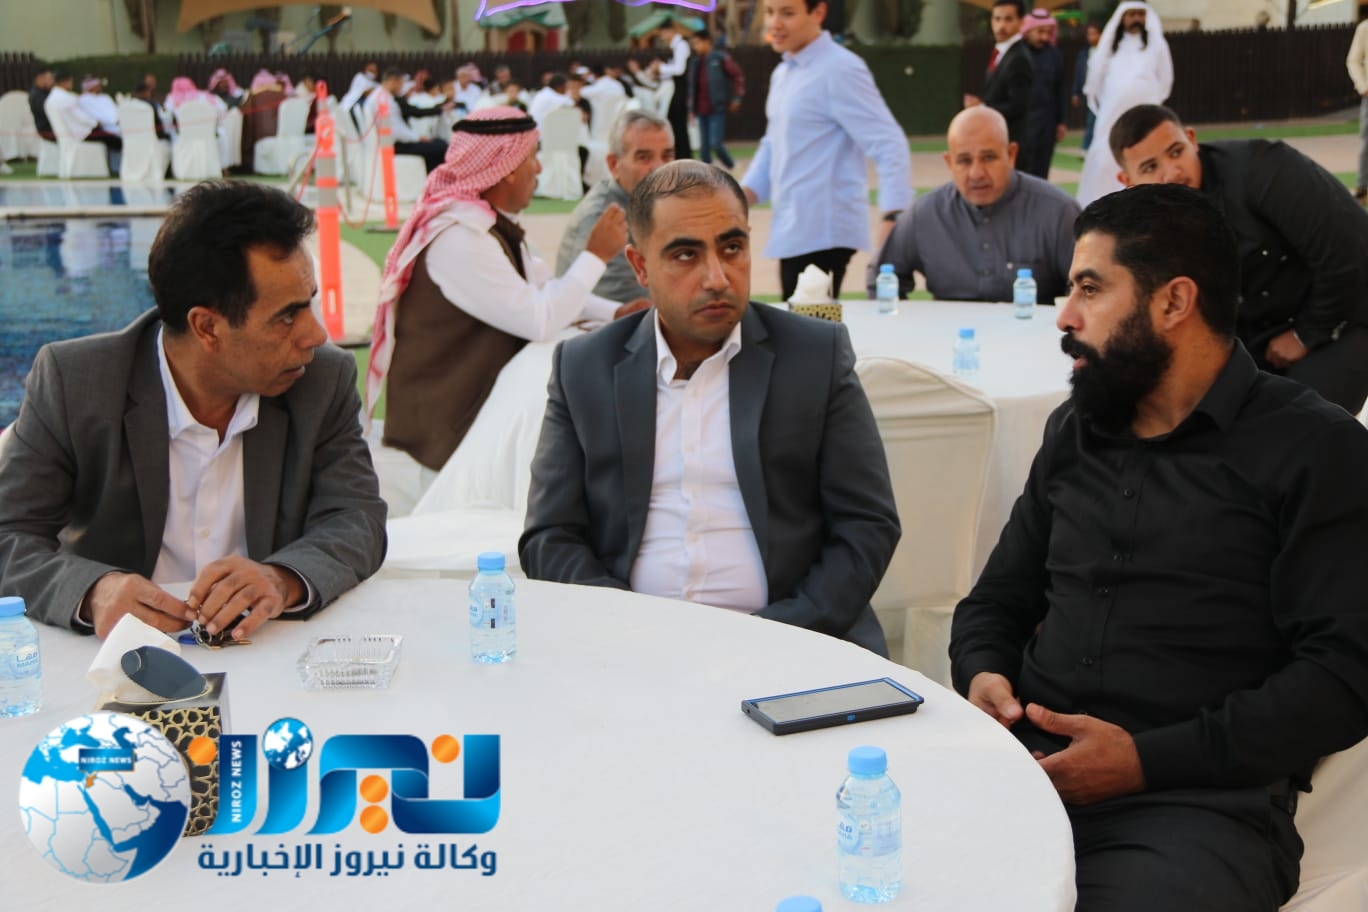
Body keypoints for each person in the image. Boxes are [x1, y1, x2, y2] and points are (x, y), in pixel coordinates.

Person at [949, 183, 1368, 911]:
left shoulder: (1314, 448)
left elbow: (1343, 680)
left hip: (1196, 810)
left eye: (1089, 289)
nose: (1065, 315)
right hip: (1022, 774)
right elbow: (996, 600)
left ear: (1174, 302)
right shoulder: (1075, 431)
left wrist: (1142, 762)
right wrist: (983, 672)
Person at [521, 160, 902, 654]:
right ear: (640, 266)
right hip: (628, 649)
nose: (717, 277)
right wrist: (630, 627)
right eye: (686, 255)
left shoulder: (814, 355)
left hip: (794, 644)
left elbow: (868, 524)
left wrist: (767, 636)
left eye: (732, 248)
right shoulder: (585, 368)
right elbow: (550, 536)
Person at [0, 181, 388, 640]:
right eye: (288, 315)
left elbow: (356, 517)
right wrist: (94, 592)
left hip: (269, 646)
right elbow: (9, 535)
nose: (316, 335)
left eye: (310, 304)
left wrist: (281, 578)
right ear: (206, 327)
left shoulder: (321, 380)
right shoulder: (77, 383)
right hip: (118, 656)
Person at [368, 107, 633, 474]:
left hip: (476, 405)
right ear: (507, 168)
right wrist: (596, 255)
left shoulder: (487, 223)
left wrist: (615, 313)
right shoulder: (459, 238)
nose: (539, 168)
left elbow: (544, 288)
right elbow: (539, 319)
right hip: (444, 427)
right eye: (532, 157)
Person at [1110, 104, 1368, 414]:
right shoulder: (1141, 229)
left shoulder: (1263, 168)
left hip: (1344, 317)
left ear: (1192, 139)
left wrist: (1306, 334)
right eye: (1150, 167)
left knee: (1302, 426)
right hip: (1252, 343)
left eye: (1176, 152)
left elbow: (1351, 250)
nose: (1172, 172)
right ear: (1127, 180)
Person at [741, 0, 911, 300]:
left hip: (824, 233)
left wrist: (894, 216)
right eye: (769, 12)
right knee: (799, 324)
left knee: (810, 324)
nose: (774, 23)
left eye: (787, 13)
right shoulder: (783, 73)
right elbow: (773, 144)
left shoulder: (840, 69)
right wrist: (738, 199)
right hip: (794, 231)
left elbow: (888, 141)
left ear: (818, 12)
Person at [868, 106, 1077, 304]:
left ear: (1011, 155)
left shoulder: (1059, 214)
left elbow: (1089, 288)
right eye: (964, 161)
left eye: (989, 158)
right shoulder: (925, 215)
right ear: (949, 163)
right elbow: (881, 278)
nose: (977, 173)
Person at [556, 109, 674, 307]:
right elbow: (633, 304)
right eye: (644, 157)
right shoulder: (602, 218)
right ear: (613, 164)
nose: (659, 167)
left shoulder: (654, 203)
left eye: (667, 156)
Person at [1075, 1, 1172, 206]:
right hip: (1112, 112)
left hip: (1145, 111)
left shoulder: (1156, 44)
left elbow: (1165, 78)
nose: (1136, 19)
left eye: (1140, 14)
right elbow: (1096, 77)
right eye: (1132, 14)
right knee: (1105, 157)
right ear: (1122, 18)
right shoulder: (1110, 44)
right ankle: (1100, 204)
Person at [967, 0, 1034, 162]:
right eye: (997, 19)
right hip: (999, 142)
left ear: (1021, 21)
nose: (1001, 26)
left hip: (1012, 144)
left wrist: (981, 108)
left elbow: (1018, 105)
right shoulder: (1003, 52)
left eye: (1008, 19)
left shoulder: (1019, 58)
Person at [364, 69, 448, 173]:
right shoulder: (383, 100)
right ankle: (435, 179)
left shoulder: (380, 96)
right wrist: (417, 138)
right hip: (395, 145)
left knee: (438, 144)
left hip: (393, 142)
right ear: (393, 81)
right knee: (441, 147)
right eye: (401, 83)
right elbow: (395, 130)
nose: (402, 87)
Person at [686, 29, 745, 170]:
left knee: (716, 143)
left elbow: (737, 76)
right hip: (700, 109)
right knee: (704, 148)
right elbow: (692, 87)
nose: (695, 47)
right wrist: (690, 109)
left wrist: (737, 98)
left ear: (707, 42)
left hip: (716, 108)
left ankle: (732, 166)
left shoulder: (720, 58)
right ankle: (706, 176)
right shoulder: (695, 62)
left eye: (697, 43)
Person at [1019, 8, 1067, 179]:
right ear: (1028, 31)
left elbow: (1060, 88)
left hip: (1047, 121)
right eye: (1040, 32)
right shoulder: (1018, 53)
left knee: (1042, 168)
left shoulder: (1054, 54)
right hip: (1023, 121)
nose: (1044, 37)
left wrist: (1061, 121)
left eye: (1048, 32)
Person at [656, 18, 694, 160]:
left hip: (681, 89)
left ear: (670, 31)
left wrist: (661, 67)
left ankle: (684, 156)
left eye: (663, 33)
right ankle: (679, 155)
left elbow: (679, 69)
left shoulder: (681, 45)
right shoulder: (675, 47)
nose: (662, 37)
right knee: (674, 122)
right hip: (676, 88)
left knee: (679, 124)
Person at [1346, 14, 1368, 203]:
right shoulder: (1364, 29)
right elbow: (1353, 60)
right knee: (1367, 142)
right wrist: (1362, 85)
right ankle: (1363, 188)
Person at [1071, 20, 1102, 150]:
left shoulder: (1106, 52)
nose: (1091, 37)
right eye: (1089, 34)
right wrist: (1075, 92)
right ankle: (1087, 148)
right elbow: (1079, 73)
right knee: (1091, 121)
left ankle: (1088, 147)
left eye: (1094, 33)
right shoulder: (1084, 53)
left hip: (1102, 93)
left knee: (1097, 121)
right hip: (1088, 92)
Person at [29, 67, 54, 140]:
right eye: (49, 79)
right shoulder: (37, 96)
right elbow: (48, 113)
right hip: (47, 131)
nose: (52, 82)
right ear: (40, 78)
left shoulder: (44, 93)